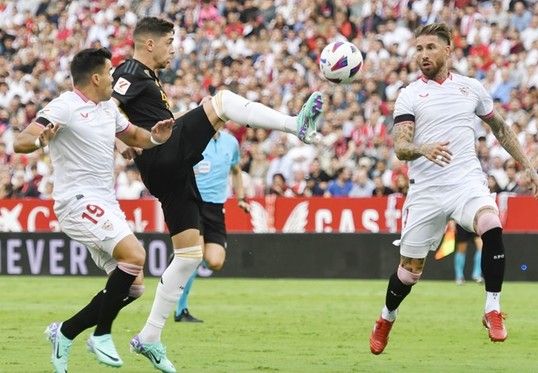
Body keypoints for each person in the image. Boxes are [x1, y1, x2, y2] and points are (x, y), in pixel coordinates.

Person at [111, 17, 323, 372]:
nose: (173, 48)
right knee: (221, 102)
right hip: (162, 156)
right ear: (149, 44)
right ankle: (293, 125)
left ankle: (149, 336)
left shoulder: (149, 78)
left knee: (191, 255)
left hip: (170, 171)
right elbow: (107, 104)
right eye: (169, 42)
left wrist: (128, 138)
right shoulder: (130, 69)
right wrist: (122, 141)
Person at [369, 22, 538, 355]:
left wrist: (529, 168)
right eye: (418, 48)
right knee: (409, 274)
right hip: (426, 190)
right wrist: (424, 149)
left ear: (447, 50)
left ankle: (492, 308)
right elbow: (400, 147)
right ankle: (386, 317)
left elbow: (501, 129)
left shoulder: (471, 88)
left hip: (466, 182)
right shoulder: (409, 94)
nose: (423, 54)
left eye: (430, 48)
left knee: (491, 225)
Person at [12, 48, 174, 372]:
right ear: (96, 77)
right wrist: (40, 141)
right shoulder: (65, 107)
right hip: (76, 201)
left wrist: (154, 138)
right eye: (111, 72)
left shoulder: (107, 109)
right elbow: (21, 140)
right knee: (136, 256)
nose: (114, 77)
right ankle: (102, 334)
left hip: (105, 202)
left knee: (134, 286)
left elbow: (132, 134)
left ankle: (65, 332)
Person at [174, 128, 250, 323]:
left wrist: (240, 197)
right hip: (192, 203)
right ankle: (180, 310)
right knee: (195, 257)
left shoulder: (230, 143)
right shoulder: (192, 138)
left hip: (216, 208)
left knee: (215, 262)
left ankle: (179, 258)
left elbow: (236, 169)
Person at [451, 220, 483, 285]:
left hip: (474, 223)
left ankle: (477, 274)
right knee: (461, 250)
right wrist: (451, 223)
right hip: (461, 223)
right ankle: (459, 276)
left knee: (481, 247)